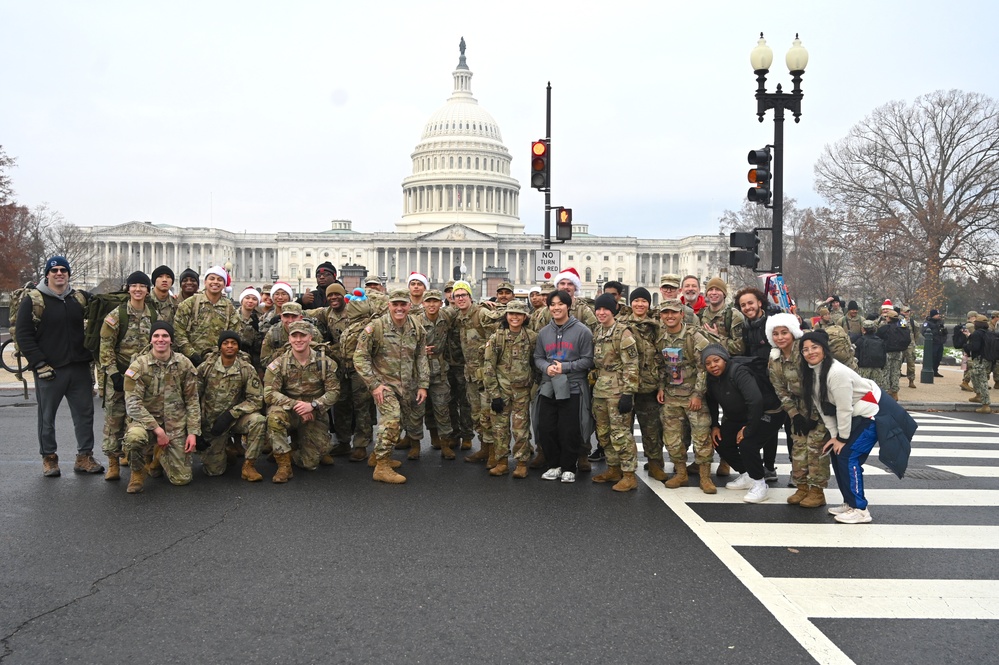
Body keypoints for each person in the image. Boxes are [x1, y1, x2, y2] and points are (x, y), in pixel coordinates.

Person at [15, 255, 104, 477]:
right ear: (47, 274)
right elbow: (24, 335)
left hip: (79, 367)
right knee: (47, 417)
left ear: (68, 274)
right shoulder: (34, 300)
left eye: (63, 270)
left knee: (85, 415)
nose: (59, 274)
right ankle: (49, 458)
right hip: (49, 369)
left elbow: (103, 308)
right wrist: (39, 363)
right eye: (54, 270)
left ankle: (84, 456)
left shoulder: (79, 299)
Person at [800, 331, 883, 524]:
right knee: (837, 454)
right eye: (805, 349)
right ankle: (850, 502)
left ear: (824, 349)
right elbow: (823, 409)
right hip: (855, 417)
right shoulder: (812, 372)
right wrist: (834, 436)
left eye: (815, 347)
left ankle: (860, 509)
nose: (810, 352)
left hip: (870, 415)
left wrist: (842, 438)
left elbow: (844, 408)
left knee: (848, 455)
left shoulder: (836, 373)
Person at [353, 289, 429, 484]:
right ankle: (382, 466)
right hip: (384, 386)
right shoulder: (376, 327)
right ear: (389, 306)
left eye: (403, 304)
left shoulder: (416, 327)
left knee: (401, 420)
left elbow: (421, 357)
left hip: (406, 385)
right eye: (395, 304)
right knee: (392, 419)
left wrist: (423, 385)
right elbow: (360, 357)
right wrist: (374, 384)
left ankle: (376, 456)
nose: (399, 308)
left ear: (409, 306)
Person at [121, 321, 201, 493]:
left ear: (171, 340)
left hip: (175, 425)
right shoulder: (138, 366)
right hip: (146, 423)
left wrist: (192, 433)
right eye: (156, 336)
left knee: (182, 479)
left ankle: (158, 456)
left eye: (165, 336)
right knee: (134, 438)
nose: (160, 339)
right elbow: (133, 404)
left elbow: (192, 400)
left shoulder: (184, 363)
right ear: (151, 340)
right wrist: (158, 430)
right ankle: (137, 473)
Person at [703, 344, 784, 503]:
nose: (713, 365)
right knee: (720, 441)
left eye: (716, 360)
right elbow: (711, 401)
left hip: (769, 413)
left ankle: (760, 484)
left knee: (747, 443)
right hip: (743, 415)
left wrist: (748, 429)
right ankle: (747, 474)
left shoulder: (738, 372)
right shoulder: (711, 378)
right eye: (708, 363)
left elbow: (755, 401)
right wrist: (715, 425)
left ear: (725, 359)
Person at [98, 270, 157, 481]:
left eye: (142, 286)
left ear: (147, 290)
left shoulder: (153, 315)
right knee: (114, 420)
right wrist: (114, 374)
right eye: (134, 286)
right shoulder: (116, 315)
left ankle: (140, 462)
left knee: (140, 419)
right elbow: (105, 348)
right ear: (128, 289)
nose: (138, 289)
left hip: (142, 378)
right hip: (119, 373)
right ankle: (113, 462)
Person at [264, 321, 340, 482]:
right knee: (274, 418)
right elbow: (269, 393)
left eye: (302, 336)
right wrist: (297, 406)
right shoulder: (279, 363)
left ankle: (293, 451)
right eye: (294, 336)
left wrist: (313, 406)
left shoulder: (324, 363)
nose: (298, 340)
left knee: (310, 463)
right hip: (289, 411)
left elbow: (334, 392)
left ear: (310, 337)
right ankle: (284, 466)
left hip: (314, 412)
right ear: (289, 339)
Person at [766, 312, 829, 508]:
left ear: (793, 332)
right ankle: (802, 487)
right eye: (775, 333)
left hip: (818, 407)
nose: (780, 337)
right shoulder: (774, 359)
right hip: (797, 409)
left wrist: (813, 415)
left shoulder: (804, 352)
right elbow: (780, 390)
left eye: (784, 332)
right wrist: (794, 414)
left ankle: (817, 491)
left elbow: (819, 384)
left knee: (815, 449)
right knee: (799, 448)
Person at [533, 289, 594, 483]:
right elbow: (538, 357)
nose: (556, 308)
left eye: (560, 304)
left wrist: (565, 367)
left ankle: (569, 467)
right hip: (549, 385)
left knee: (569, 429)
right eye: (552, 304)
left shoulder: (582, 331)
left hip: (573, 386)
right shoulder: (544, 333)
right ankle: (554, 465)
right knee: (546, 427)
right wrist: (546, 367)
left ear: (568, 306)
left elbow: (588, 360)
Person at [656, 299, 715, 493]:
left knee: (701, 437)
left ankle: (705, 477)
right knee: (672, 438)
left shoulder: (694, 336)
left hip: (693, 396)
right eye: (666, 313)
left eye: (674, 312)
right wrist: (661, 387)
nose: (669, 316)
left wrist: (698, 394)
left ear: (681, 314)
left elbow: (704, 368)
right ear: (661, 316)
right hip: (671, 396)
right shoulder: (661, 338)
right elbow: (661, 366)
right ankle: (681, 473)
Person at [195, 332, 267, 481]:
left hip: (235, 419)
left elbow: (256, 399)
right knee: (214, 471)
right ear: (220, 346)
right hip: (211, 423)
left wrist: (231, 414)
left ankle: (249, 466)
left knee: (258, 421)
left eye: (233, 343)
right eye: (225, 343)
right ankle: (226, 452)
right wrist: (196, 429)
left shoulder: (246, 369)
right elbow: (193, 398)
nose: (229, 346)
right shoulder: (205, 368)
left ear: (238, 347)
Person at [588, 293, 640, 491]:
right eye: (599, 309)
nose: (601, 313)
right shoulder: (598, 331)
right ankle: (613, 469)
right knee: (603, 433)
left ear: (614, 310)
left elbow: (632, 365)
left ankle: (629, 474)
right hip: (600, 389)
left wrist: (628, 393)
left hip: (618, 391)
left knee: (620, 433)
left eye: (606, 309)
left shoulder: (623, 333)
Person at [483, 299, 538, 477]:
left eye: (519, 314)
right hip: (501, 390)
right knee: (499, 428)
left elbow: (535, 364)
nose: (515, 317)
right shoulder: (497, 338)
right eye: (512, 313)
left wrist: (533, 386)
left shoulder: (531, 337)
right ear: (506, 316)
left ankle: (521, 463)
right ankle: (502, 462)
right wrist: (494, 395)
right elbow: (489, 367)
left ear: (525, 317)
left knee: (521, 429)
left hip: (522, 391)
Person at [452, 280, 504, 465]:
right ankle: (484, 448)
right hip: (471, 375)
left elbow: (500, 330)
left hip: (486, 376)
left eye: (463, 295)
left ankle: (494, 453)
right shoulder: (460, 317)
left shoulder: (481, 313)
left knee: (488, 415)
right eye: (457, 296)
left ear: (469, 296)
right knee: (476, 415)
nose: (460, 299)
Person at [617, 287, 666, 480]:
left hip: (649, 386)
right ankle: (624, 467)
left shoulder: (657, 327)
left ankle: (655, 464)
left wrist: (661, 385)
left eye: (644, 301)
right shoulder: (621, 325)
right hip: (625, 386)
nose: (640, 304)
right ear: (631, 303)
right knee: (624, 430)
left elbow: (662, 358)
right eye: (636, 301)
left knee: (652, 429)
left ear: (649, 304)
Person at [734, 285, 779, 481]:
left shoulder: (772, 323)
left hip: (776, 380)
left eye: (750, 303)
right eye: (743, 305)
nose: (747, 307)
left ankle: (770, 466)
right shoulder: (745, 327)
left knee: (774, 424)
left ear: (760, 303)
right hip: (756, 380)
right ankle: (762, 465)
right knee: (761, 420)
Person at [415, 289, 458, 460]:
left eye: (435, 301)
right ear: (423, 303)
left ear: (441, 303)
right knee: (418, 410)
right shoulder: (415, 321)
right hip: (419, 371)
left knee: (442, 408)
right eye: (428, 301)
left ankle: (445, 444)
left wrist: (487, 303)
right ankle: (416, 444)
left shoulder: (446, 316)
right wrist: (419, 349)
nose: (431, 305)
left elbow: (466, 308)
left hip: (440, 371)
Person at [173, 266, 241, 367]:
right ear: (205, 282)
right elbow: (178, 331)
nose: (215, 282)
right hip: (189, 361)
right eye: (212, 278)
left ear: (224, 284)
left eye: (220, 279)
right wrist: (191, 353)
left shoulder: (229, 308)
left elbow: (234, 333)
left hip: (219, 362)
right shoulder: (190, 303)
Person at [964, 315, 993, 414]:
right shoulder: (988, 332)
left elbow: (975, 347)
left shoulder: (977, 333)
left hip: (980, 360)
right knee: (973, 375)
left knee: (982, 381)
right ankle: (978, 395)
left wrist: (966, 346)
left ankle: (986, 405)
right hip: (988, 359)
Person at [855, 320, 888, 390]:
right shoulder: (880, 340)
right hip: (877, 367)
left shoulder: (860, 340)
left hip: (864, 367)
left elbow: (856, 355)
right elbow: (884, 355)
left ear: (863, 329)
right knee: (876, 388)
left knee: (863, 388)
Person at [236, 287, 262, 371]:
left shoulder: (259, 319)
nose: (250, 301)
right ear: (242, 300)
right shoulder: (233, 316)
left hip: (250, 361)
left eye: (254, 299)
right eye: (247, 298)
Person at [921, 309, 947, 378]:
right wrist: (935, 332)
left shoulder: (940, 322)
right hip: (932, 343)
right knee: (932, 357)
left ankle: (935, 370)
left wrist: (944, 333)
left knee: (938, 357)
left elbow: (943, 332)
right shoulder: (927, 323)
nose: (938, 315)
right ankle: (930, 369)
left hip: (939, 342)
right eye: (936, 314)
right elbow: (924, 332)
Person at [899, 305, 918, 389]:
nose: (906, 313)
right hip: (900, 344)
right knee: (897, 363)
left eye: (908, 312)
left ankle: (911, 380)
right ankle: (896, 380)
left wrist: (913, 342)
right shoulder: (899, 321)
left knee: (911, 363)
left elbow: (916, 334)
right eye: (904, 312)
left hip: (910, 345)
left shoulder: (913, 323)